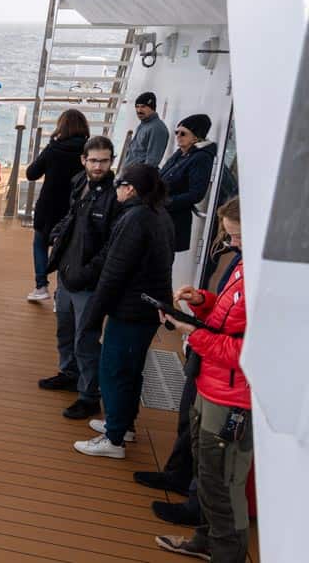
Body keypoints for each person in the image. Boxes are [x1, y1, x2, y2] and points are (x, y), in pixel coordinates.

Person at [155, 198, 252, 563]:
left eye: (239, 237)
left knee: (224, 483)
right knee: (208, 472)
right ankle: (205, 540)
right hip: (212, 385)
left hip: (232, 397)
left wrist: (189, 333)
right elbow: (227, 320)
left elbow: (244, 351)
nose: (233, 244)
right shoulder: (244, 267)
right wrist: (201, 301)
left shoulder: (265, 283)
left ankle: (228, 553)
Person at [74, 164, 174, 459]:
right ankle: (123, 424)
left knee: (113, 371)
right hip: (147, 309)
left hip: (130, 310)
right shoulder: (160, 214)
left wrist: (93, 316)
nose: (116, 188)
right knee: (131, 371)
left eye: (120, 184)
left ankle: (114, 439)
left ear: (130, 188)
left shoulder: (135, 219)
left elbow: (114, 272)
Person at [39, 135, 120, 419]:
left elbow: (112, 245)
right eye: (94, 160)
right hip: (66, 272)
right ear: (83, 160)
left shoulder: (114, 197)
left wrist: (88, 273)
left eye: (105, 161)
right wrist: (58, 232)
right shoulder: (79, 182)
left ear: (112, 161)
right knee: (65, 330)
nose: (99, 166)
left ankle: (89, 395)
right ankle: (69, 373)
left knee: (85, 339)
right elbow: (72, 216)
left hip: (87, 281)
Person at [24, 109, 90, 302]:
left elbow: (31, 174)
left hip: (49, 204)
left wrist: (49, 148)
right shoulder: (88, 151)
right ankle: (60, 293)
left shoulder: (54, 149)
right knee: (68, 248)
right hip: (75, 206)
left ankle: (41, 285)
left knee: (40, 243)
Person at [160, 113, 217, 253]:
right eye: (176, 132)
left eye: (183, 133)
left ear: (196, 137)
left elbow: (196, 194)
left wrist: (166, 202)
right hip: (160, 213)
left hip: (174, 218)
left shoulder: (201, 158)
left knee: (161, 261)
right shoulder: (180, 153)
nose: (178, 136)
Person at [121, 91, 170, 167]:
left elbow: (152, 161)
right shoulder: (143, 124)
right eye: (137, 107)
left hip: (138, 176)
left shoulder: (157, 129)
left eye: (143, 106)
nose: (139, 110)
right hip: (130, 173)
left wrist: (140, 176)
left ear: (152, 108)